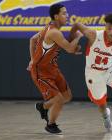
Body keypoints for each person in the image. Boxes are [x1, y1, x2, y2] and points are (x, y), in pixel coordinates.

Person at [27, 3, 82, 134]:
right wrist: (78, 37)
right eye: (64, 13)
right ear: (56, 16)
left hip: (52, 69)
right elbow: (69, 48)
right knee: (59, 99)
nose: (67, 15)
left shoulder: (49, 28)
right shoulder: (54, 32)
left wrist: (32, 58)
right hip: (41, 72)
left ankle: (43, 106)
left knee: (67, 96)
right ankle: (51, 125)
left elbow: (33, 40)